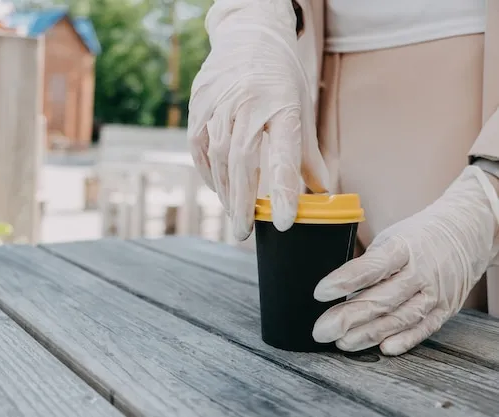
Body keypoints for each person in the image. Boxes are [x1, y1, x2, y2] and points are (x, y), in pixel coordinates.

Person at [187, 0, 499, 356]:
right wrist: (252, 16)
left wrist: (487, 196)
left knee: (430, 328)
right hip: (299, 73)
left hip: (466, 92)